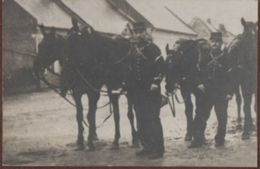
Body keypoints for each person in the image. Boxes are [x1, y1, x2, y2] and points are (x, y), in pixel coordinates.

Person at [126, 22, 165, 159]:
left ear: (145, 33)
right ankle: (147, 146)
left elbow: (161, 67)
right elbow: (130, 71)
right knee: (141, 119)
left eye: (140, 32)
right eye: (135, 32)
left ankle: (158, 149)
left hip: (151, 91)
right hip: (137, 92)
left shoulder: (153, 49)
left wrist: (156, 82)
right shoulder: (132, 50)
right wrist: (126, 87)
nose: (138, 34)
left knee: (152, 119)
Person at [189, 32, 233, 148]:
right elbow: (197, 72)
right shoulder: (204, 56)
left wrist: (229, 92)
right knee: (201, 116)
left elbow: (230, 77)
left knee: (222, 117)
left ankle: (220, 140)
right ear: (210, 42)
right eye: (213, 41)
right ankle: (197, 139)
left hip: (221, 93)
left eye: (217, 42)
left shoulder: (226, 57)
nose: (215, 44)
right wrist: (199, 83)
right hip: (207, 92)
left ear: (221, 43)